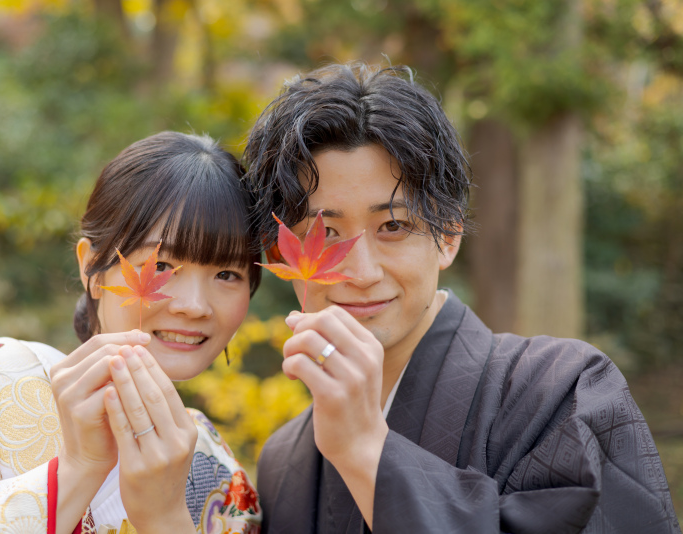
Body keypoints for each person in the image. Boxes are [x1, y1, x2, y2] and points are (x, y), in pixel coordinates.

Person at [242, 63, 680, 534]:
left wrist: (366, 450)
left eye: (393, 226)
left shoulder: (563, 393)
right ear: (280, 250)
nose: (363, 273)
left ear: (448, 235)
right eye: (326, 233)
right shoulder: (285, 459)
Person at [0, 132, 263, 533]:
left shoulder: (219, 473)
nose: (195, 305)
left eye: (227, 273)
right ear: (92, 268)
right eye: (163, 264)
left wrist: (166, 519)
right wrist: (76, 473)